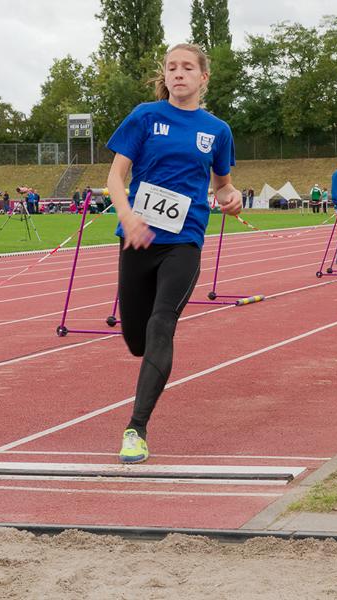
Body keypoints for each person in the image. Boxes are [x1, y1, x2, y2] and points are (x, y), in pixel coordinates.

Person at [106, 43, 241, 464]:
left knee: (162, 325)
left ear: (203, 77)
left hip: (184, 240)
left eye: (187, 67)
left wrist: (231, 197)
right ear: (164, 76)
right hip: (138, 238)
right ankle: (146, 359)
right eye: (171, 67)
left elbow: (223, 184)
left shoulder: (217, 130)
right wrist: (127, 216)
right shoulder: (145, 116)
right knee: (137, 339)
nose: (178, 73)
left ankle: (136, 429)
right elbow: (115, 177)